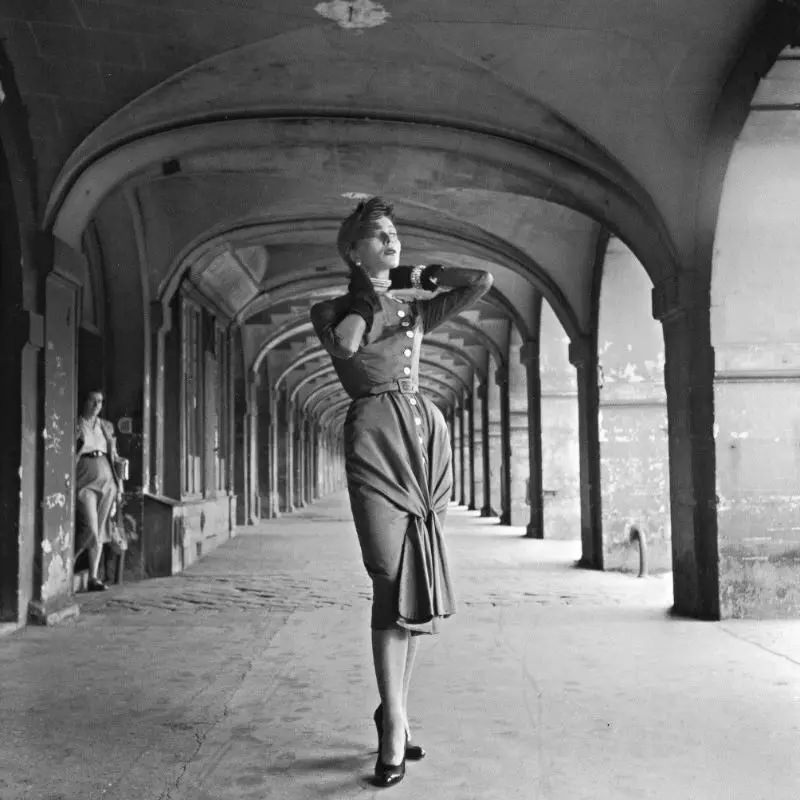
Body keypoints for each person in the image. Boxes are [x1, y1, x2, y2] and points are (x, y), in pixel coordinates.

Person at [310, 197, 493, 787]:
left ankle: (396, 713)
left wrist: (413, 278)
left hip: (425, 447)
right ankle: (393, 719)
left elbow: (481, 281)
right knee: (388, 575)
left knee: (412, 579)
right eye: (376, 234)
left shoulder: (414, 309)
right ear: (352, 250)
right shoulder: (333, 308)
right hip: (376, 444)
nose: (391, 239)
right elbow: (346, 344)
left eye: (393, 232)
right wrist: (368, 290)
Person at [75, 389, 123, 592]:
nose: (96, 405)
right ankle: (68, 564)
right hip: (85, 477)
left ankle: (93, 577)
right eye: (93, 401)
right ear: (84, 402)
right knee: (91, 529)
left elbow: (115, 456)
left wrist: (120, 485)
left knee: (102, 530)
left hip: (107, 478)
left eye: (100, 402)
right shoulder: (76, 424)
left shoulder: (106, 426)